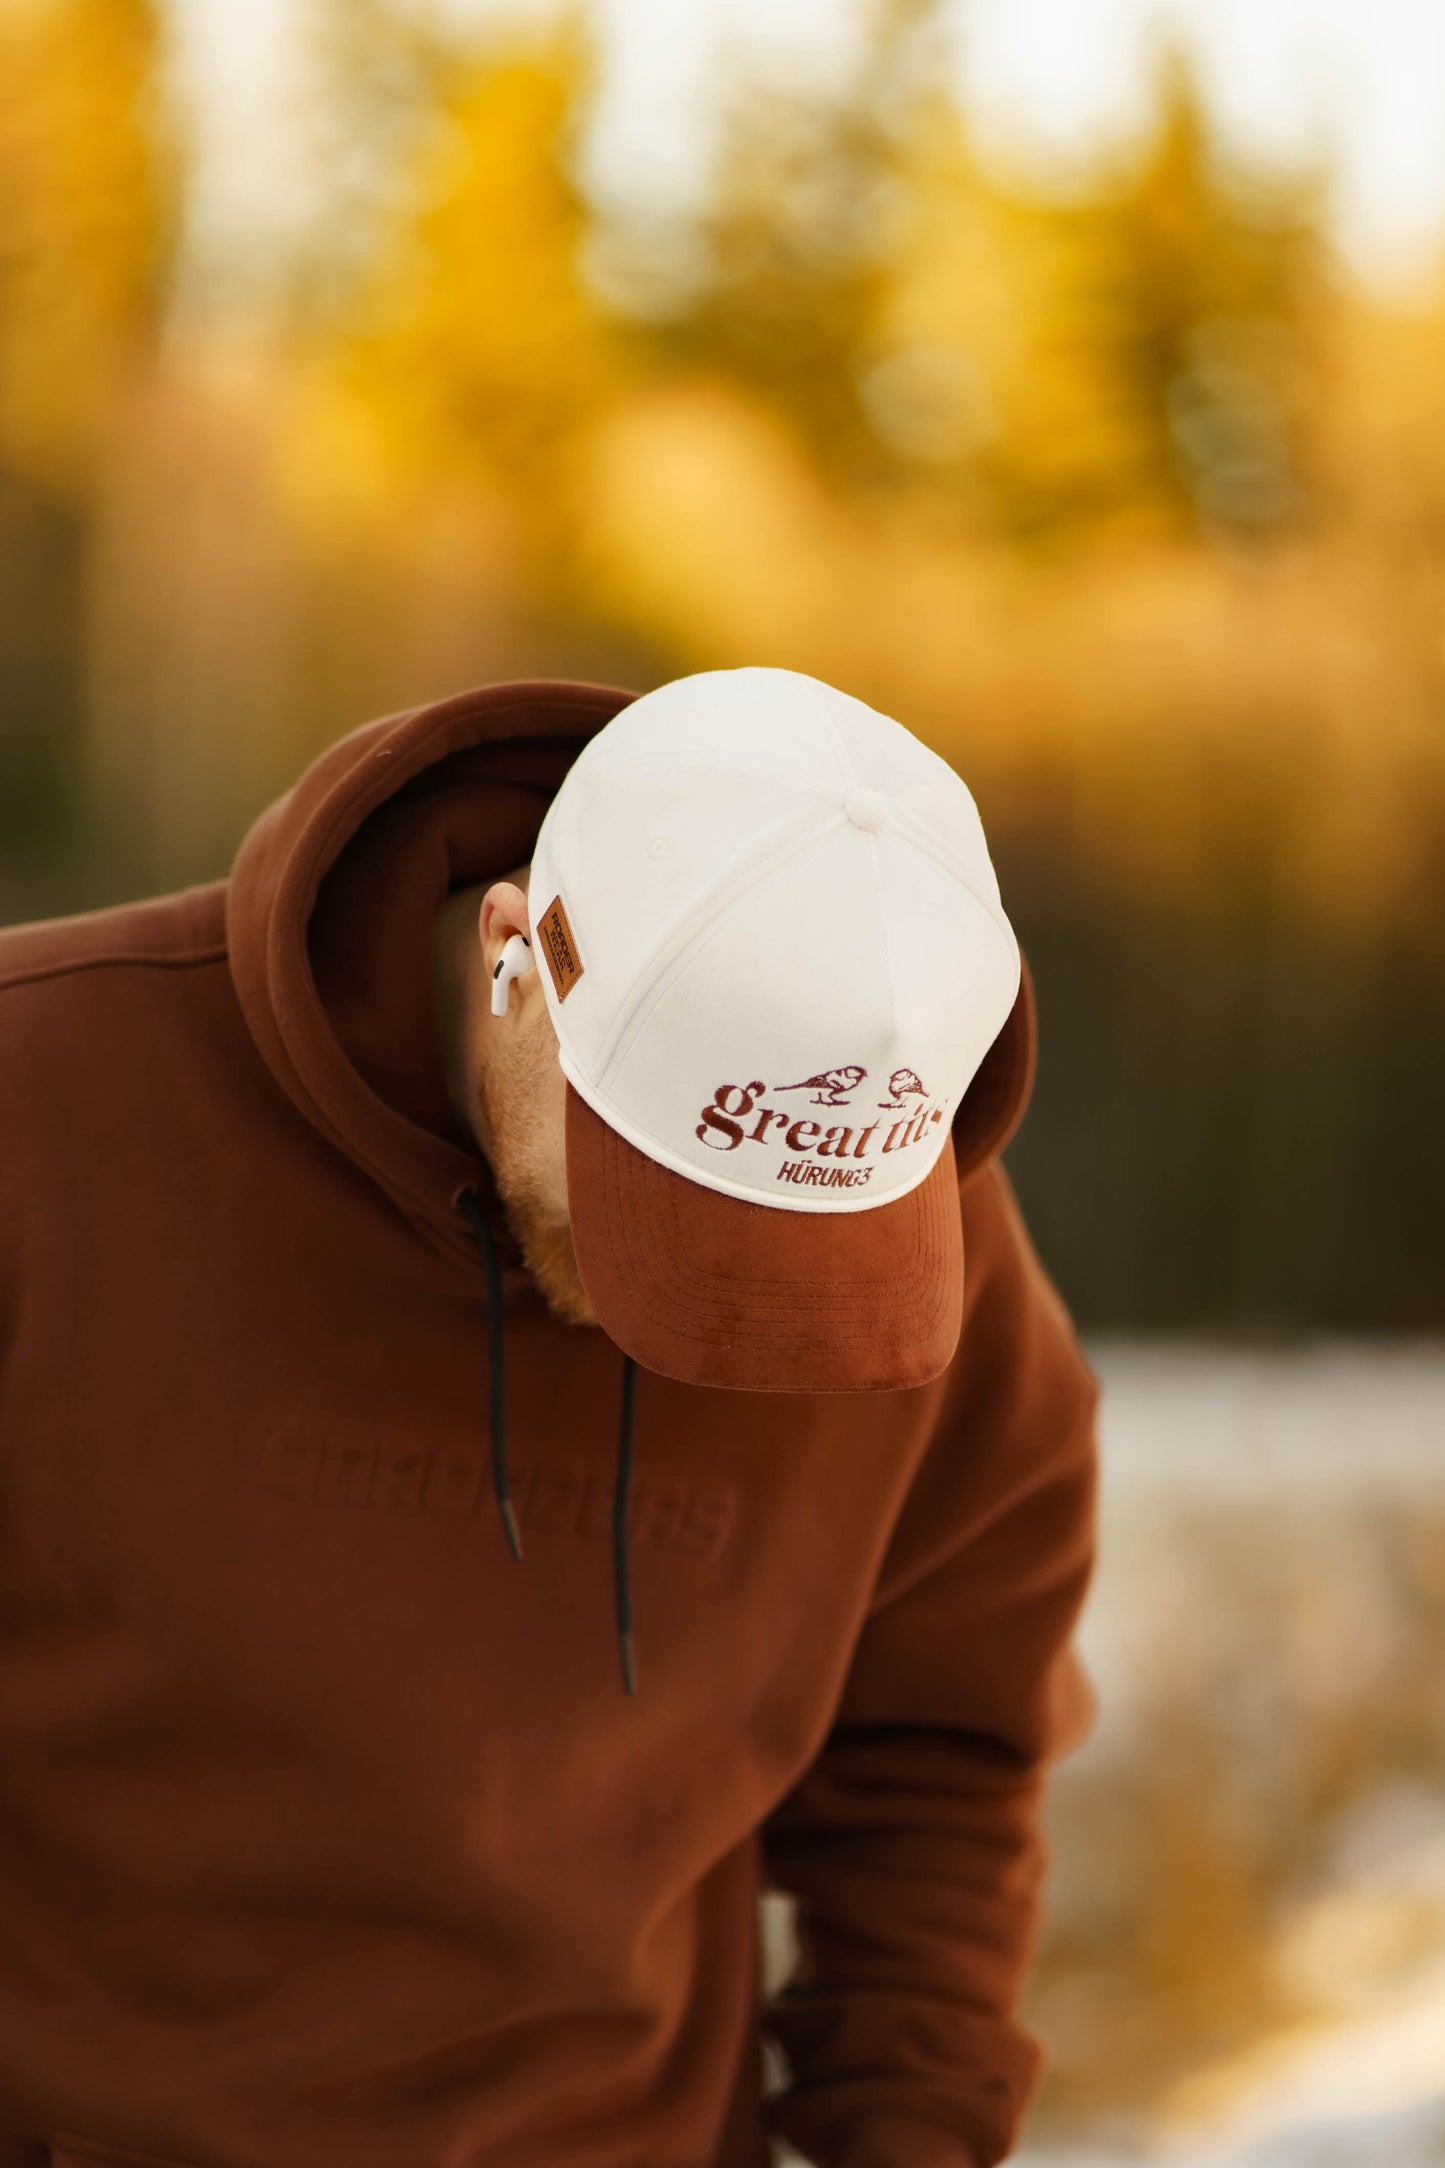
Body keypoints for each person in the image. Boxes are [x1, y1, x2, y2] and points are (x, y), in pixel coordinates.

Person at [0, 664, 1100, 2168]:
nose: (724, 1304)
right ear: (521, 952)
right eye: (664, 1202)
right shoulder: (40, 1112)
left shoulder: (922, 1236)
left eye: (791, 1250)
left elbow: (938, 1766)